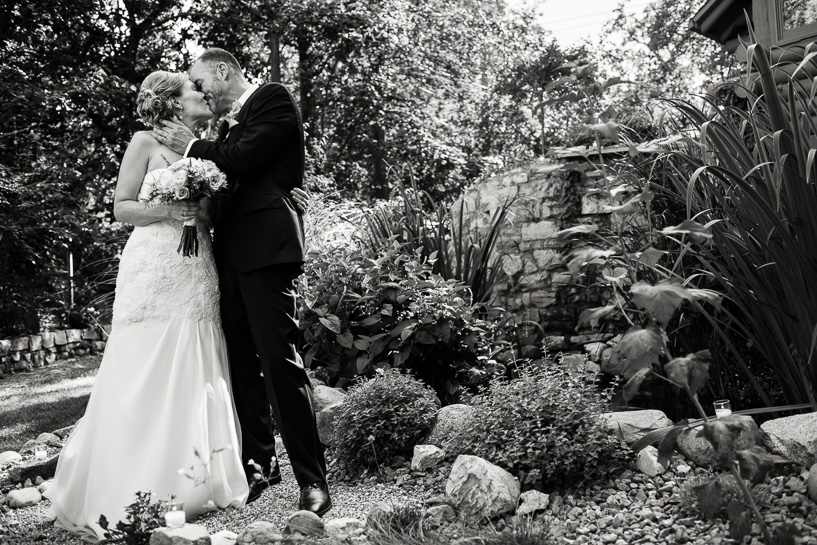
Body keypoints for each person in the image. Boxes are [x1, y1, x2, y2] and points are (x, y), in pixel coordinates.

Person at [45, 71, 251, 540]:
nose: (203, 93)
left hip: (198, 268)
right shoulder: (144, 141)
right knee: (143, 363)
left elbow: (217, 210)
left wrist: (207, 207)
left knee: (197, 356)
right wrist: (168, 210)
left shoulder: (208, 145)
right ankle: (131, 482)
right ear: (173, 102)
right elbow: (121, 207)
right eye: (193, 90)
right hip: (154, 266)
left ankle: (195, 481)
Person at [154, 48, 330, 515]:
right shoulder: (226, 126)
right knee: (241, 367)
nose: (200, 92)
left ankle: (312, 479)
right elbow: (228, 172)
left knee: (279, 364)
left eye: (199, 81)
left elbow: (246, 159)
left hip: (267, 250)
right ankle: (259, 466)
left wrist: (193, 148)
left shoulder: (272, 98)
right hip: (227, 256)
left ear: (222, 71)